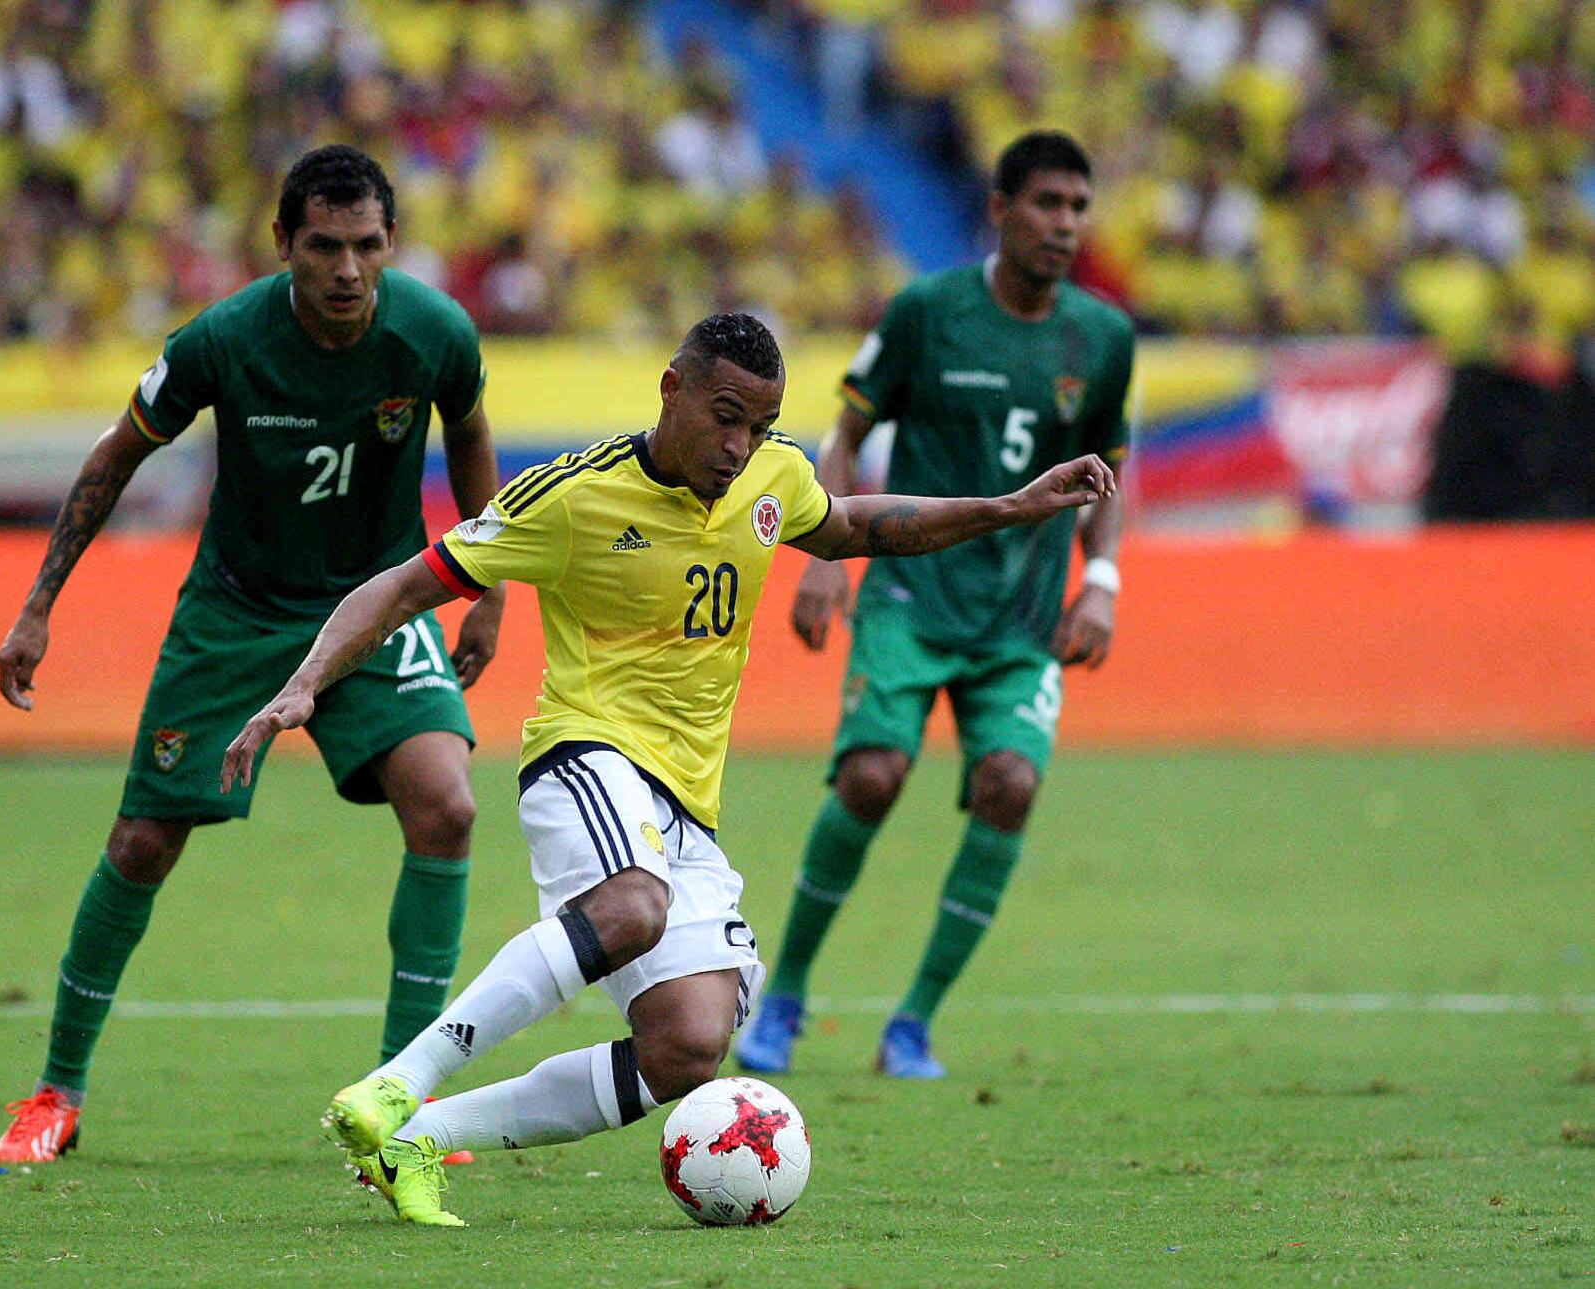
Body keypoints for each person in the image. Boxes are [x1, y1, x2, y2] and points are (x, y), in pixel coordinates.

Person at [220, 312, 1115, 1224]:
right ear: (672, 389)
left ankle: (417, 1139)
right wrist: (304, 685)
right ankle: (398, 1083)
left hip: (686, 800)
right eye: (726, 417)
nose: (739, 447)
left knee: (687, 1047)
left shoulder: (774, 477)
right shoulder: (572, 496)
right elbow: (405, 585)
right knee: (633, 905)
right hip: (586, 753)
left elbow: (854, 526)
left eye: (759, 426)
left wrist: (1008, 506)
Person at [0, 146, 507, 1164]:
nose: (347, 268)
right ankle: (56, 1089)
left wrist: (487, 589)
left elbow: (472, 435)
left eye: (367, 245)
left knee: (447, 804)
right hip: (237, 613)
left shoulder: (436, 331)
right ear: (283, 244)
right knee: (144, 842)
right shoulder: (223, 339)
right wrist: (38, 606)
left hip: (379, 604)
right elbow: (116, 457)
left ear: (390, 243)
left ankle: (401, 1099)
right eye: (324, 246)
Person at [733, 130, 1135, 1080]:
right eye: (1047, 203)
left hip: (1022, 616)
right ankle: (785, 995)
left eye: (1078, 207)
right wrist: (824, 553)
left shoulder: (1105, 338)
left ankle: (913, 1022)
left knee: (1012, 784)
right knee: (872, 775)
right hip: (911, 596)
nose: (1065, 224)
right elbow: (846, 432)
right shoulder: (927, 311)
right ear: (999, 209)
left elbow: (1108, 473)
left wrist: (1103, 582)